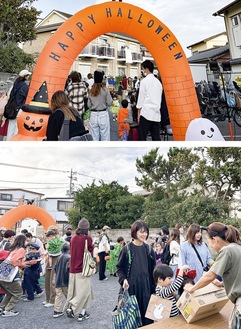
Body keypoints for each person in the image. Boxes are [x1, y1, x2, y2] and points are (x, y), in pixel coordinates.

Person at [185, 222, 241, 328]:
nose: (210, 245)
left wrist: (192, 288)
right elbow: (236, 272)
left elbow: (210, 276)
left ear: (215, 239)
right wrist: (221, 283)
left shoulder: (226, 250)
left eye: (210, 241)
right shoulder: (237, 247)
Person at [116, 220, 156, 326]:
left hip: (146, 287)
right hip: (132, 287)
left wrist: (155, 287)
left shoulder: (149, 249)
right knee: (132, 317)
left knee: (147, 317)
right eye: (141, 232)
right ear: (134, 232)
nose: (144, 234)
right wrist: (123, 279)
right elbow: (119, 268)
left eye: (146, 232)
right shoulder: (126, 249)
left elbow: (153, 270)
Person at [64, 218, 94, 322]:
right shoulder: (87, 239)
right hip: (83, 269)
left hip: (73, 268)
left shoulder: (73, 238)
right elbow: (91, 250)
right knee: (84, 292)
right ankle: (72, 308)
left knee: (78, 292)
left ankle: (83, 313)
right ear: (87, 228)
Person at [0, 234, 37, 317]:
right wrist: (23, 264)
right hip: (9, 275)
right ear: (22, 241)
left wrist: (24, 263)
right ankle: (8, 310)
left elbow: (13, 260)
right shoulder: (21, 249)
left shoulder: (14, 249)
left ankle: (2, 308)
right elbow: (14, 261)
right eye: (26, 240)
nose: (27, 242)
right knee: (18, 292)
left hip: (2, 273)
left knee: (9, 293)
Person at [136, 60, 163, 141]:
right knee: (156, 139)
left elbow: (141, 98)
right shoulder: (158, 83)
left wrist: (138, 113)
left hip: (146, 113)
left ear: (146, 69)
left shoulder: (144, 81)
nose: (143, 71)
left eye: (143, 69)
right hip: (156, 114)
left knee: (142, 138)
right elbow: (159, 98)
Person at [5, 69, 31, 141]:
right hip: (19, 110)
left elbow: (9, 95)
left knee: (10, 129)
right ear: (25, 76)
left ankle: (8, 144)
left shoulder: (15, 84)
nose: (28, 77)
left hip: (12, 109)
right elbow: (27, 98)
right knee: (17, 129)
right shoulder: (24, 86)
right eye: (28, 75)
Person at [87, 70, 113, 141]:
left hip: (93, 115)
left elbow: (88, 105)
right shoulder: (105, 90)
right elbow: (110, 102)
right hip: (103, 114)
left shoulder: (91, 91)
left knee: (94, 138)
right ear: (102, 79)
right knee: (105, 138)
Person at [53, 243, 70, 318]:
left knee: (58, 296)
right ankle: (71, 309)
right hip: (65, 280)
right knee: (69, 296)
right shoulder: (69, 257)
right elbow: (68, 269)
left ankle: (57, 311)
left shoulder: (59, 257)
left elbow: (55, 268)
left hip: (58, 279)